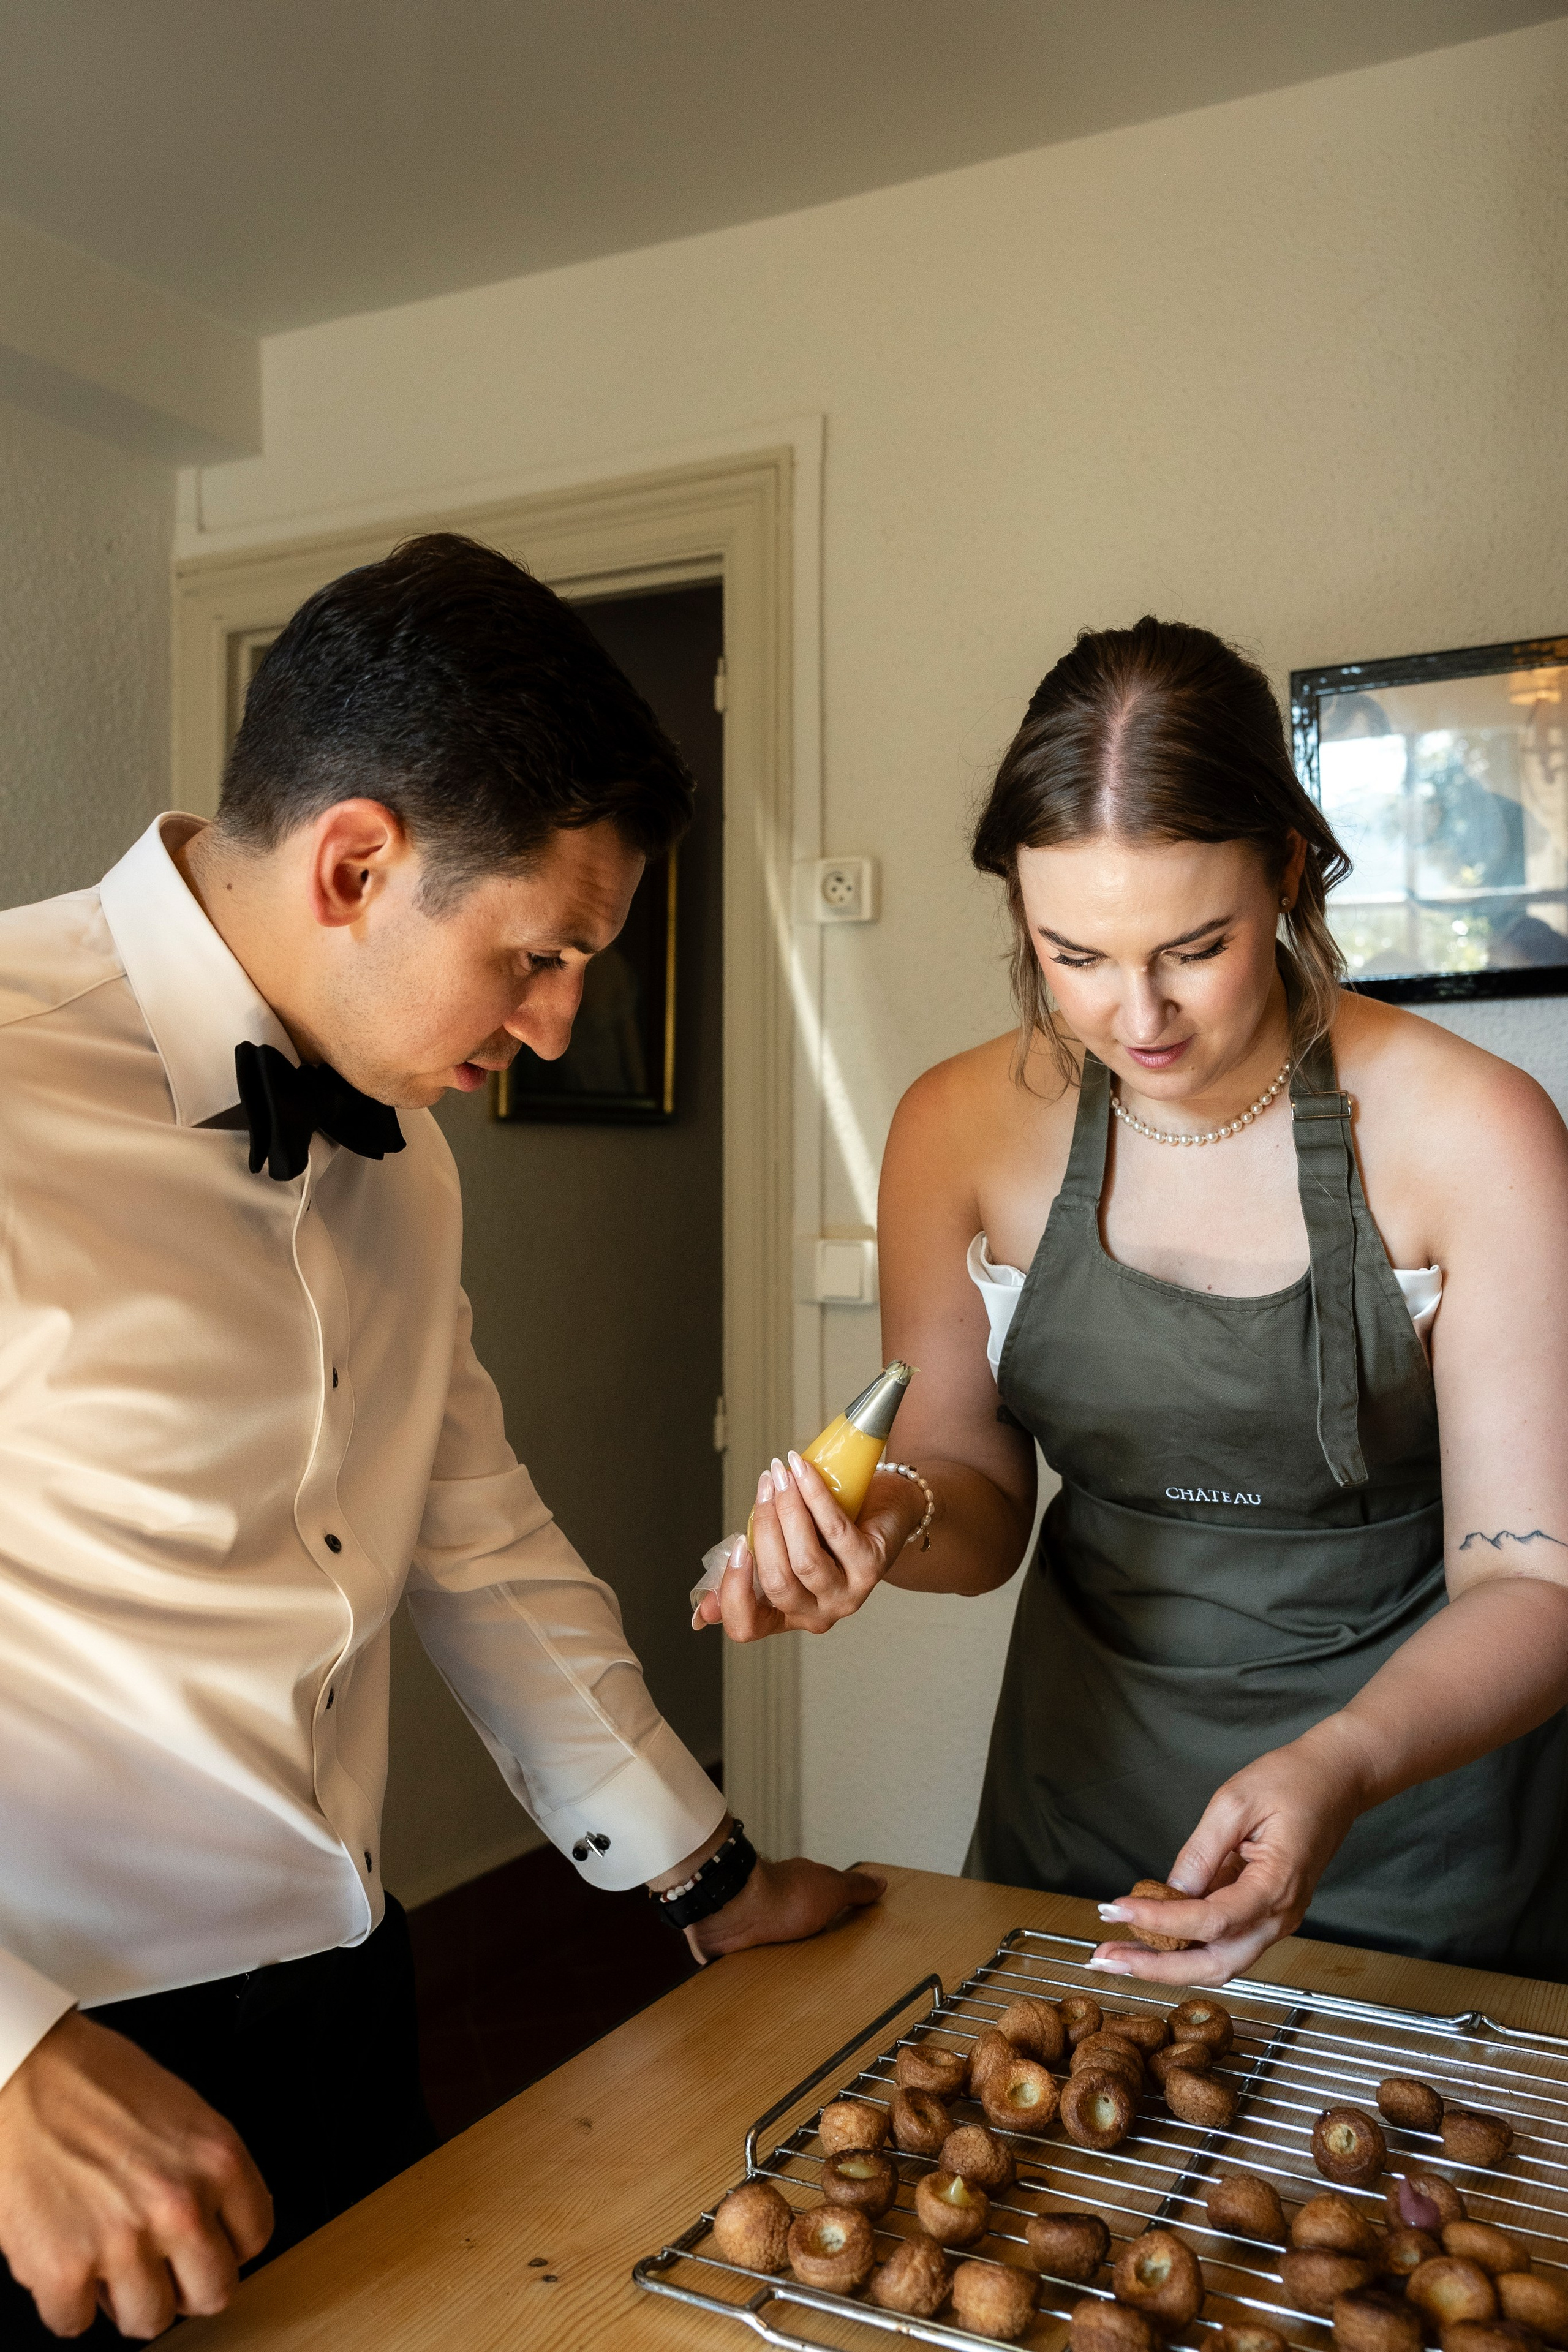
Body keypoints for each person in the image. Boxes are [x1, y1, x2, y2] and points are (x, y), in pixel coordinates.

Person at [0, 534, 881, 2345]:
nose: (556, 1022)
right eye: (538, 956)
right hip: (53, 2079)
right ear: (355, 863)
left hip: (338, 2003)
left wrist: (704, 1878)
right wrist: (6, 2067)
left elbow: (475, 1543)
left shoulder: (412, 1169)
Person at [698, 615, 1568, 1991]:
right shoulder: (954, 1127)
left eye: (1192, 946)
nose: (1135, 1015)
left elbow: (1530, 1580)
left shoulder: (1474, 1131)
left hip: (1410, 1819)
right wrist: (883, 1521)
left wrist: (1337, 1765)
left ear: (1283, 871)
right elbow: (973, 1496)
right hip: (1081, 1799)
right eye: (1074, 955)